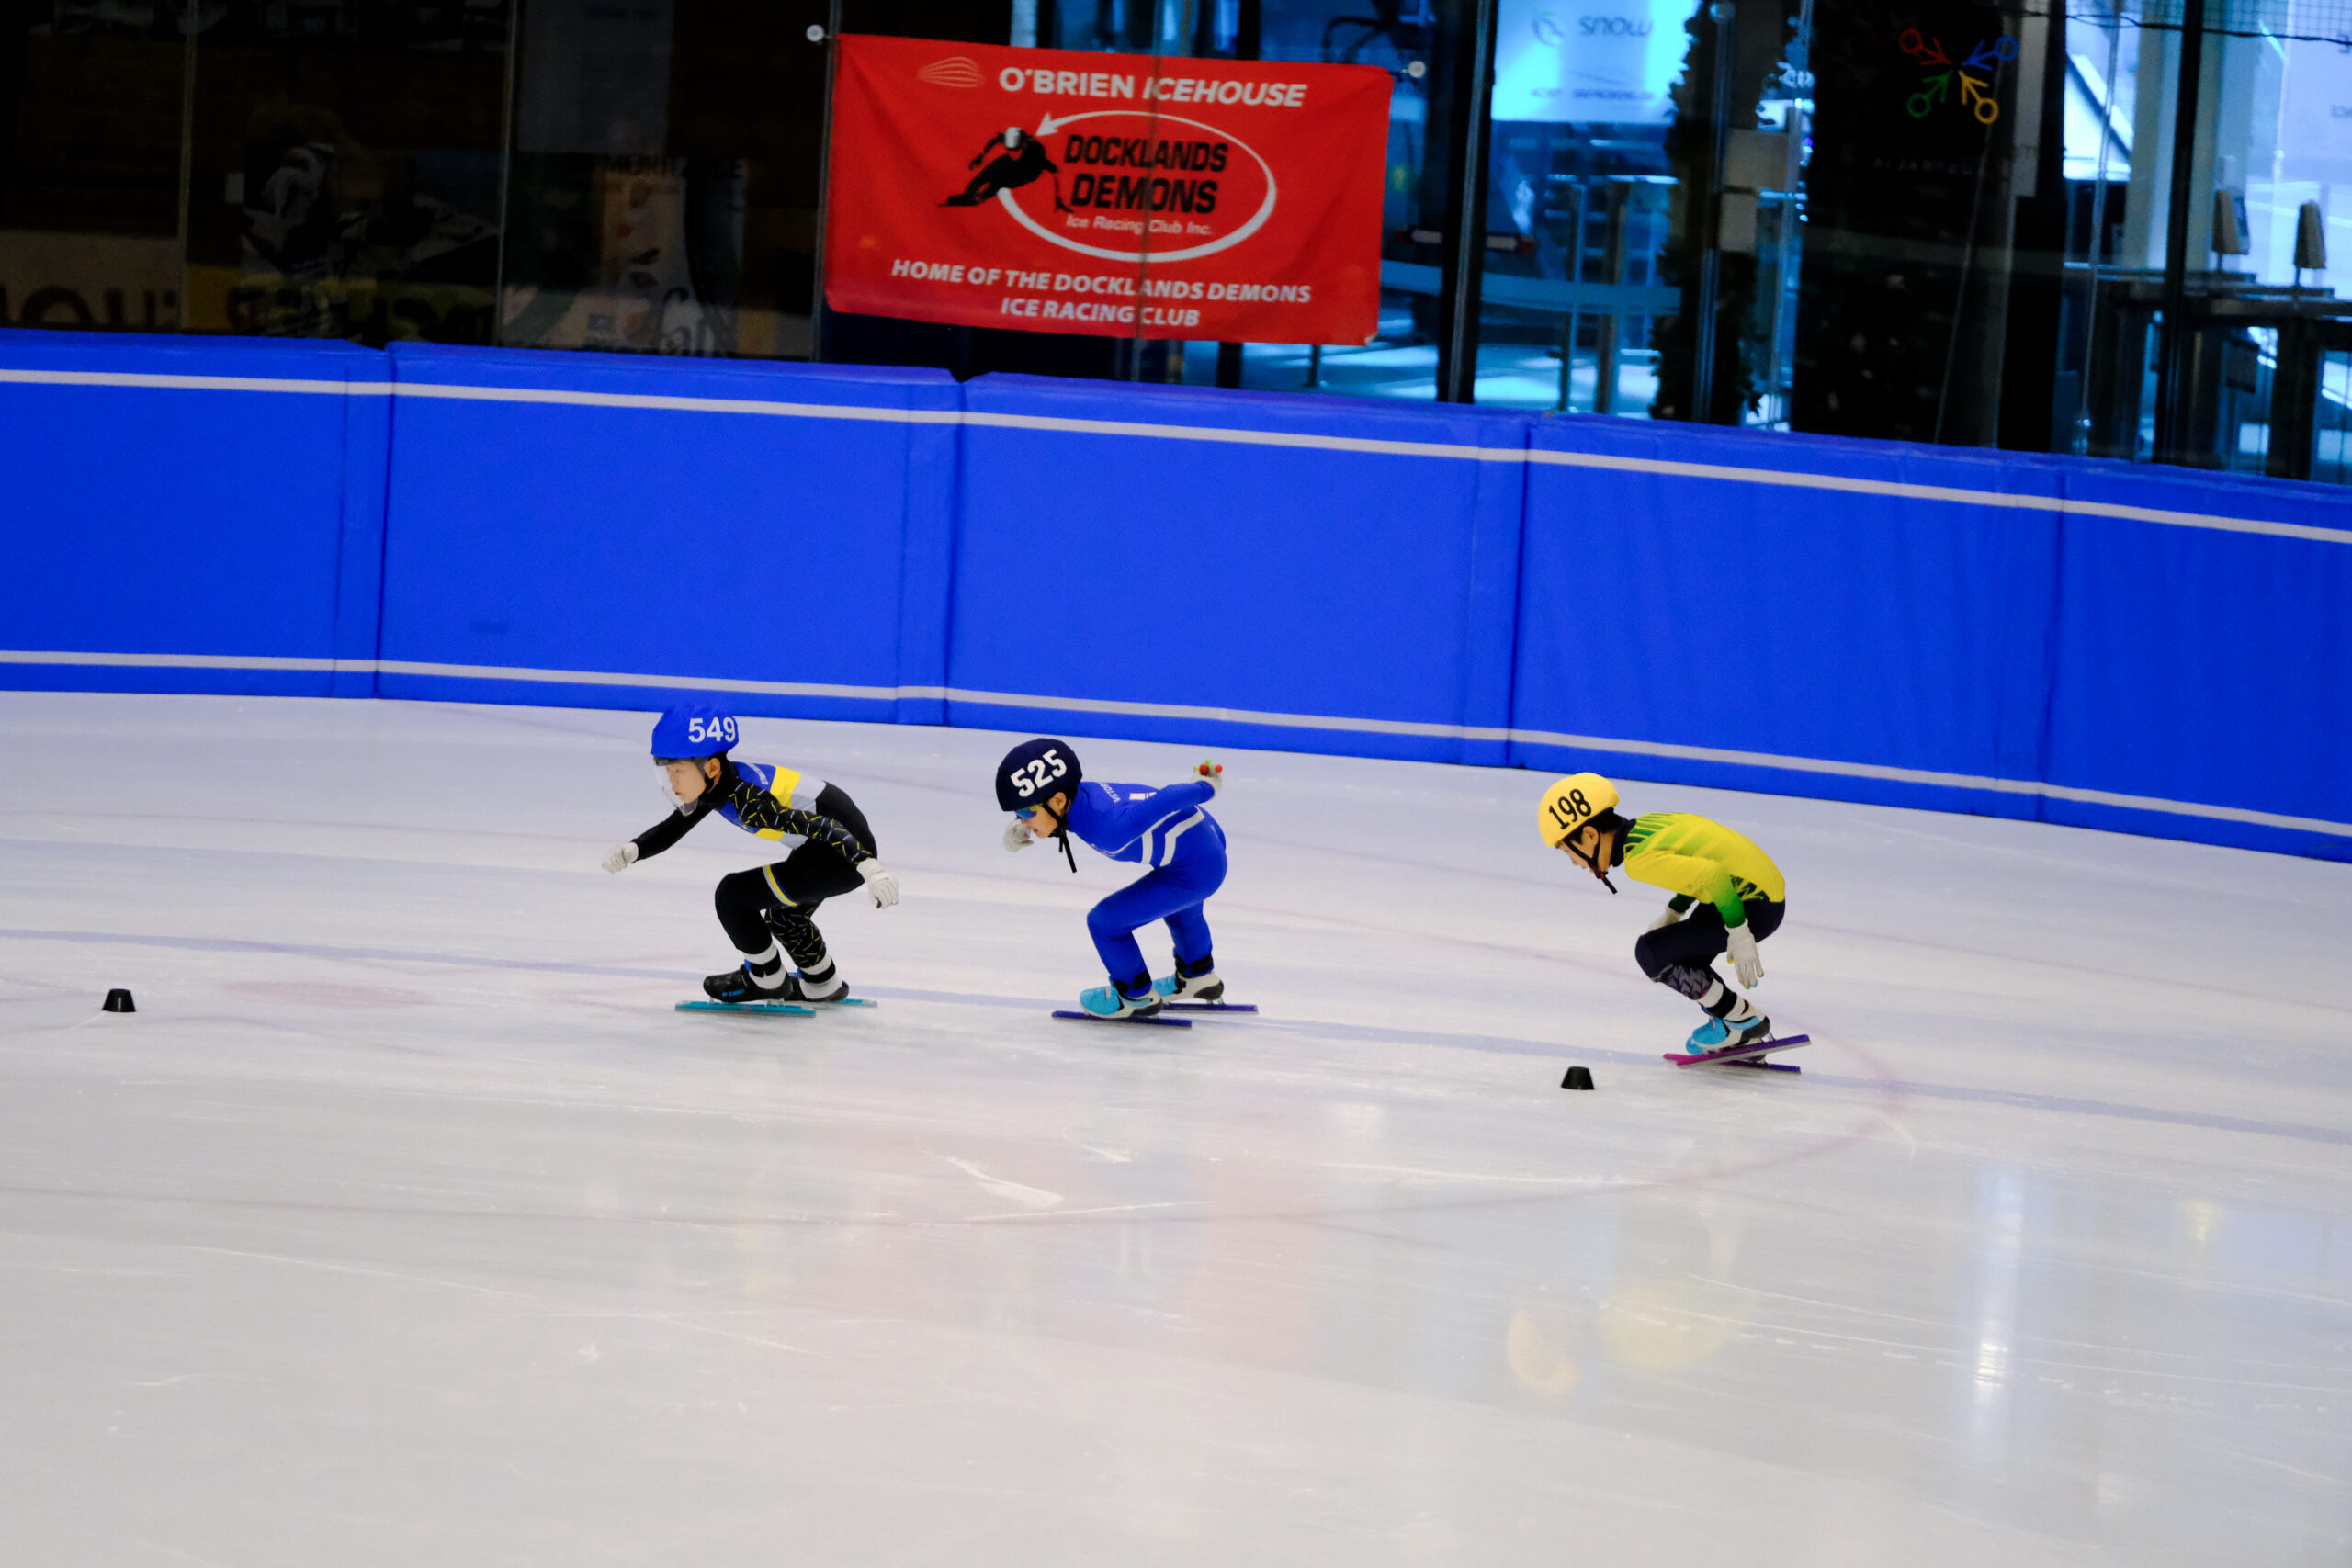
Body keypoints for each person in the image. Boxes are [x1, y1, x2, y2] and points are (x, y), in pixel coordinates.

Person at [603, 705, 899, 1004]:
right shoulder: (721, 785)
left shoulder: (750, 802)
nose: (672, 781)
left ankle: (765, 979)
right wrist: (633, 850)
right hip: (825, 851)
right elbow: (674, 827)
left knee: (732, 896)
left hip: (842, 854)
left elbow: (824, 825)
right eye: (666, 771)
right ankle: (823, 983)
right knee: (784, 917)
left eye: (677, 770)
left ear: (712, 768)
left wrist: (870, 868)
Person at [1538, 772, 1787, 1054]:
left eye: (1567, 851)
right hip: (1756, 892)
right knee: (1677, 951)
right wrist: (1673, 913)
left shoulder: (1639, 860)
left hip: (1752, 905)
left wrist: (1739, 932)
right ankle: (1733, 1022)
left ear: (1590, 835)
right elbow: (1698, 865)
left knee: (1651, 952)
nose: (1574, 862)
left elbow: (1711, 874)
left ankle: (1741, 1021)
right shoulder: (1647, 825)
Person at [997, 737, 1227, 1019]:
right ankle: (1198, 976)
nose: (1023, 820)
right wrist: (1028, 825)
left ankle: (1135, 996)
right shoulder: (1082, 797)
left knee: (1105, 922)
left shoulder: (1111, 829)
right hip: (1204, 843)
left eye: (1025, 812)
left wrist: (1205, 787)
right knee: (1182, 913)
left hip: (1196, 868)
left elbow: (1167, 798)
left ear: (1058, 800)